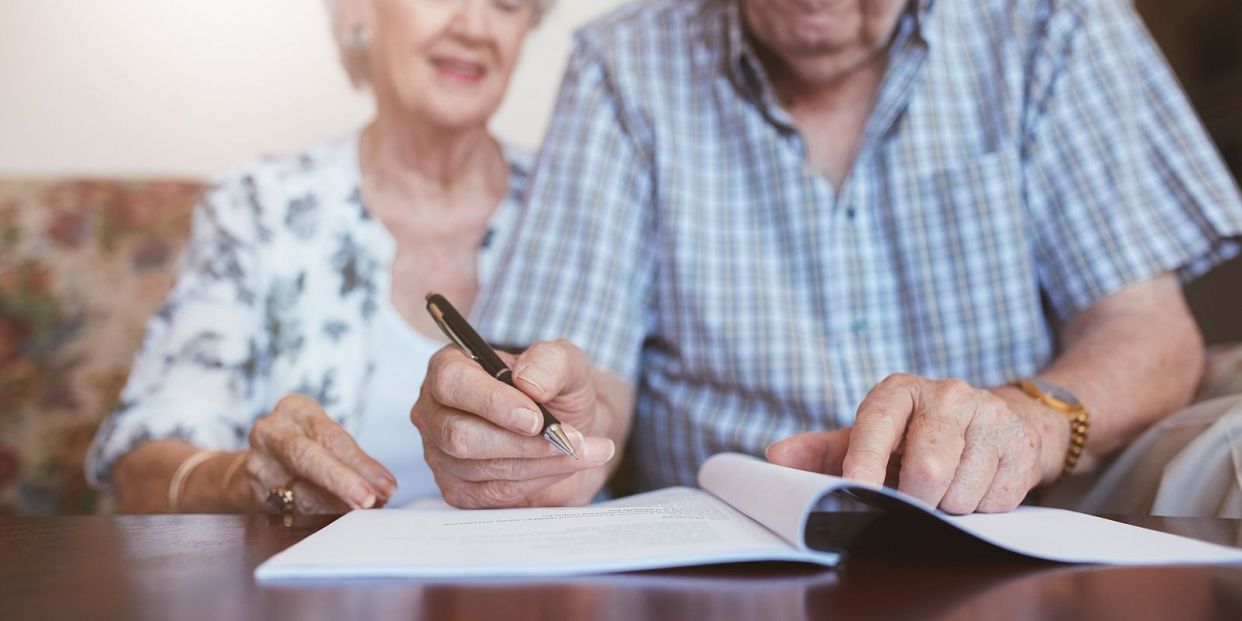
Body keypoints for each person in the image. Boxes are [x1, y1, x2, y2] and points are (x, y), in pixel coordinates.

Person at [411, 0, 1242, 513]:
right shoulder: (621, 65)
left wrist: (1024, 421)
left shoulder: (1053, 21)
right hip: (728, 559)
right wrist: (544, 430)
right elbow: (592, 387)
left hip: (1023, 522)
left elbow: (1149, 329)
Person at [86, 0, 557, 514]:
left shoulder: (580, 203)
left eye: (507, 3)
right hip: (318, 589)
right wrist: (247, 481)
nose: (474, 26)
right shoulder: (259, 204)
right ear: (357, 12)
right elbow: (141, 465)